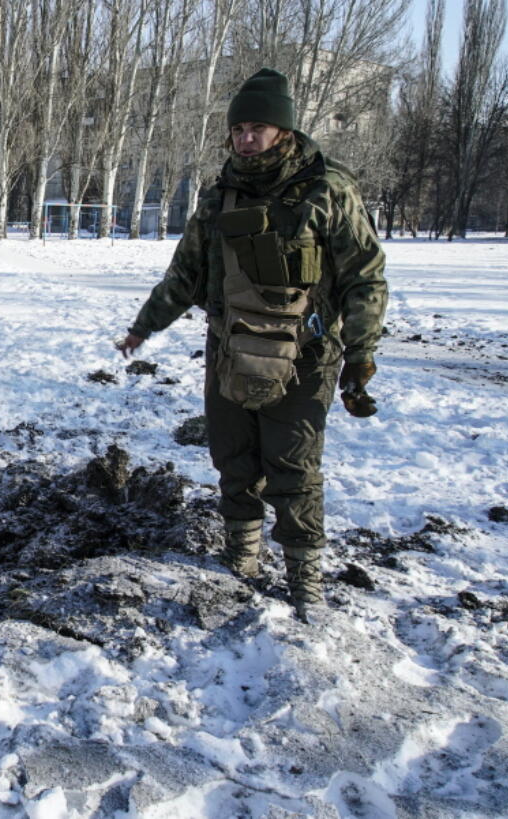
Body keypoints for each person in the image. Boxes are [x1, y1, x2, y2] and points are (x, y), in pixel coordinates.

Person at [118, 67, 387, 623]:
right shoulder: (220, 194)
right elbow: (185, 274)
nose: (245, 139)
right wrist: (146, 325)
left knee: (293, 467)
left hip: (306, 355)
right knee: (234, 461)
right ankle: (241, 558)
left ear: (283, 131)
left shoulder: (327, 190)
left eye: (257, 128)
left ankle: (303, 577)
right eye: (238, 129)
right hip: (229, 348)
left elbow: (365, 276)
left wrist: (361, 352)